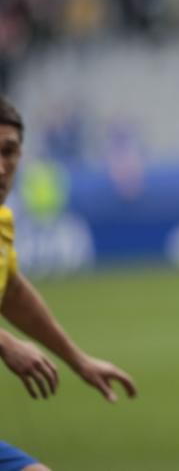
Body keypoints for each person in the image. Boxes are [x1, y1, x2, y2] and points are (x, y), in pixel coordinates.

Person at [0, 96, 137, 471]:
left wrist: (78, 361)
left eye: (8, 152)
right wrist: (7, 343)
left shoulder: (1, 223)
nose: (0, 168)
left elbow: (10, 291)